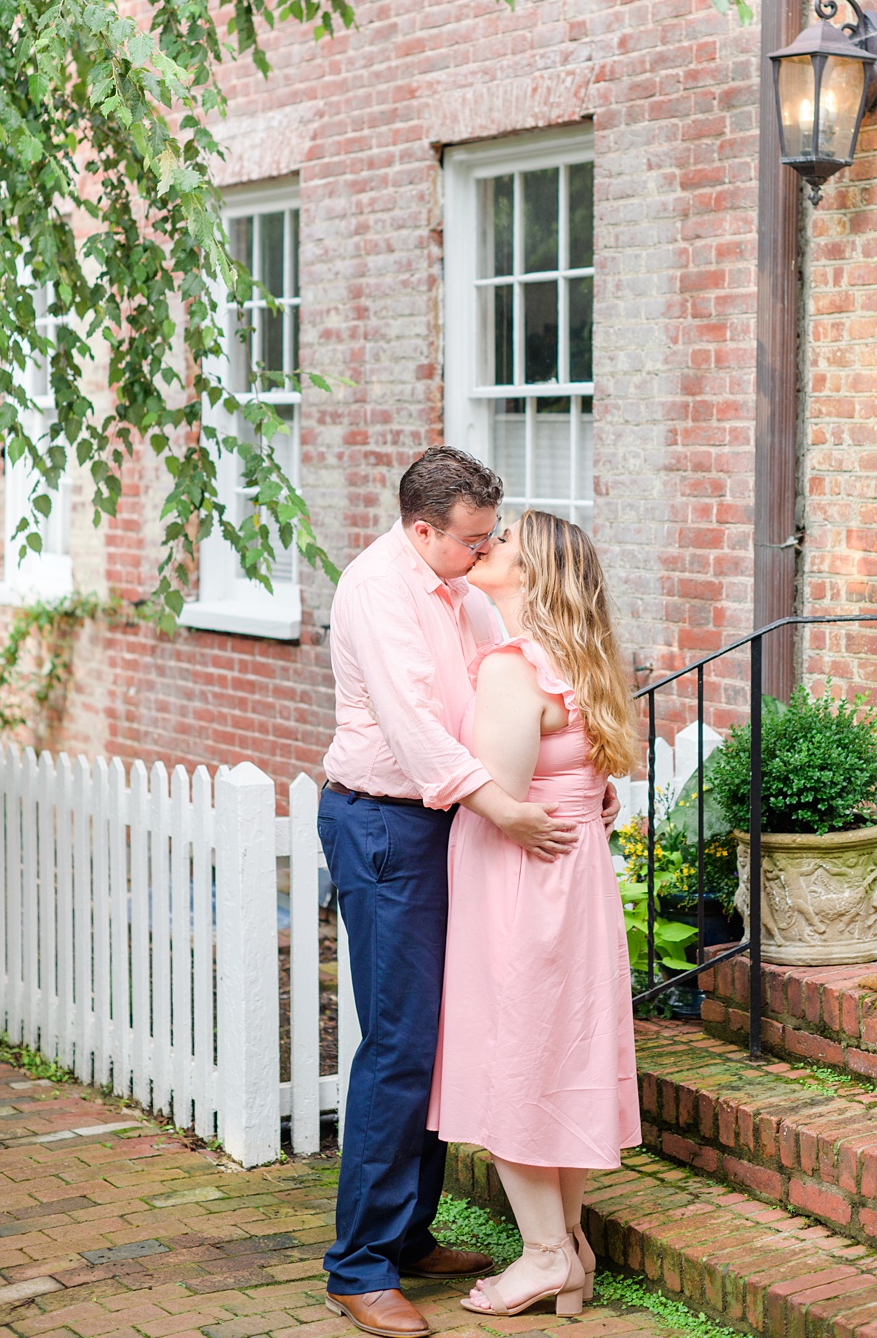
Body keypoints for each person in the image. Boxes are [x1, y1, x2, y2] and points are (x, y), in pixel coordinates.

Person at [317, 445, 592, 1338]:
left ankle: (409, 1234)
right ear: (422, 528)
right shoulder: (377, 591)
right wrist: (509, 811)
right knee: (399, 1043)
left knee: (441, 1037)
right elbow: (420, 735)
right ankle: (358, 1267)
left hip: (453, 823)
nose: (482, 557)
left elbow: (503, 694)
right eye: (468, 542)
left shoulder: (462, 588)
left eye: (487, 542)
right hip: (387, 824)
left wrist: (570, 777)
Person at [430, 508, 641, 1320]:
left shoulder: (513, 666)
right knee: (558, 1056)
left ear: (533, 574)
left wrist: (446, 770)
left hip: (519, 882)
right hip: (575, 879)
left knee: (510, 1063)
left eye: (506, 541)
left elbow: (501, 793)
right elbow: (587, 775)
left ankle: (546, 1254)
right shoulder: (580, 660)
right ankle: (573, 1247)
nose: (491, 545)